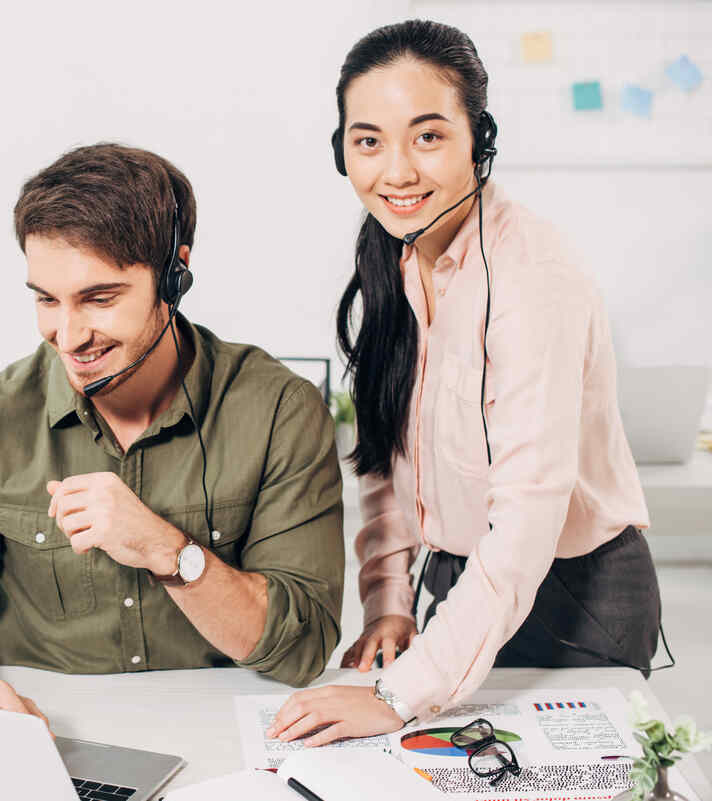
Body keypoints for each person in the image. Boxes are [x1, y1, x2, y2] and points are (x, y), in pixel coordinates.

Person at [268, 19, 661, 745]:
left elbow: (525, 517)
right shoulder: (395, 258)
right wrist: (387, 598)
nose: (396, 172)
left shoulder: (531, 273)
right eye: (368, 141)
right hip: (458, 587)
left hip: (570, 598)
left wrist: (396, 695)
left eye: (427, 136)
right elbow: (384, 452)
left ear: (479, 138)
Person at [0, 143, 344, 724]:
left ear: (175, 274)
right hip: (47, 737)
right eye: (47, 300)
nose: (68, 336)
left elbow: (303, 649)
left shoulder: (279, 410)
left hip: (225, 737)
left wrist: (165, 550)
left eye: (98, 299)